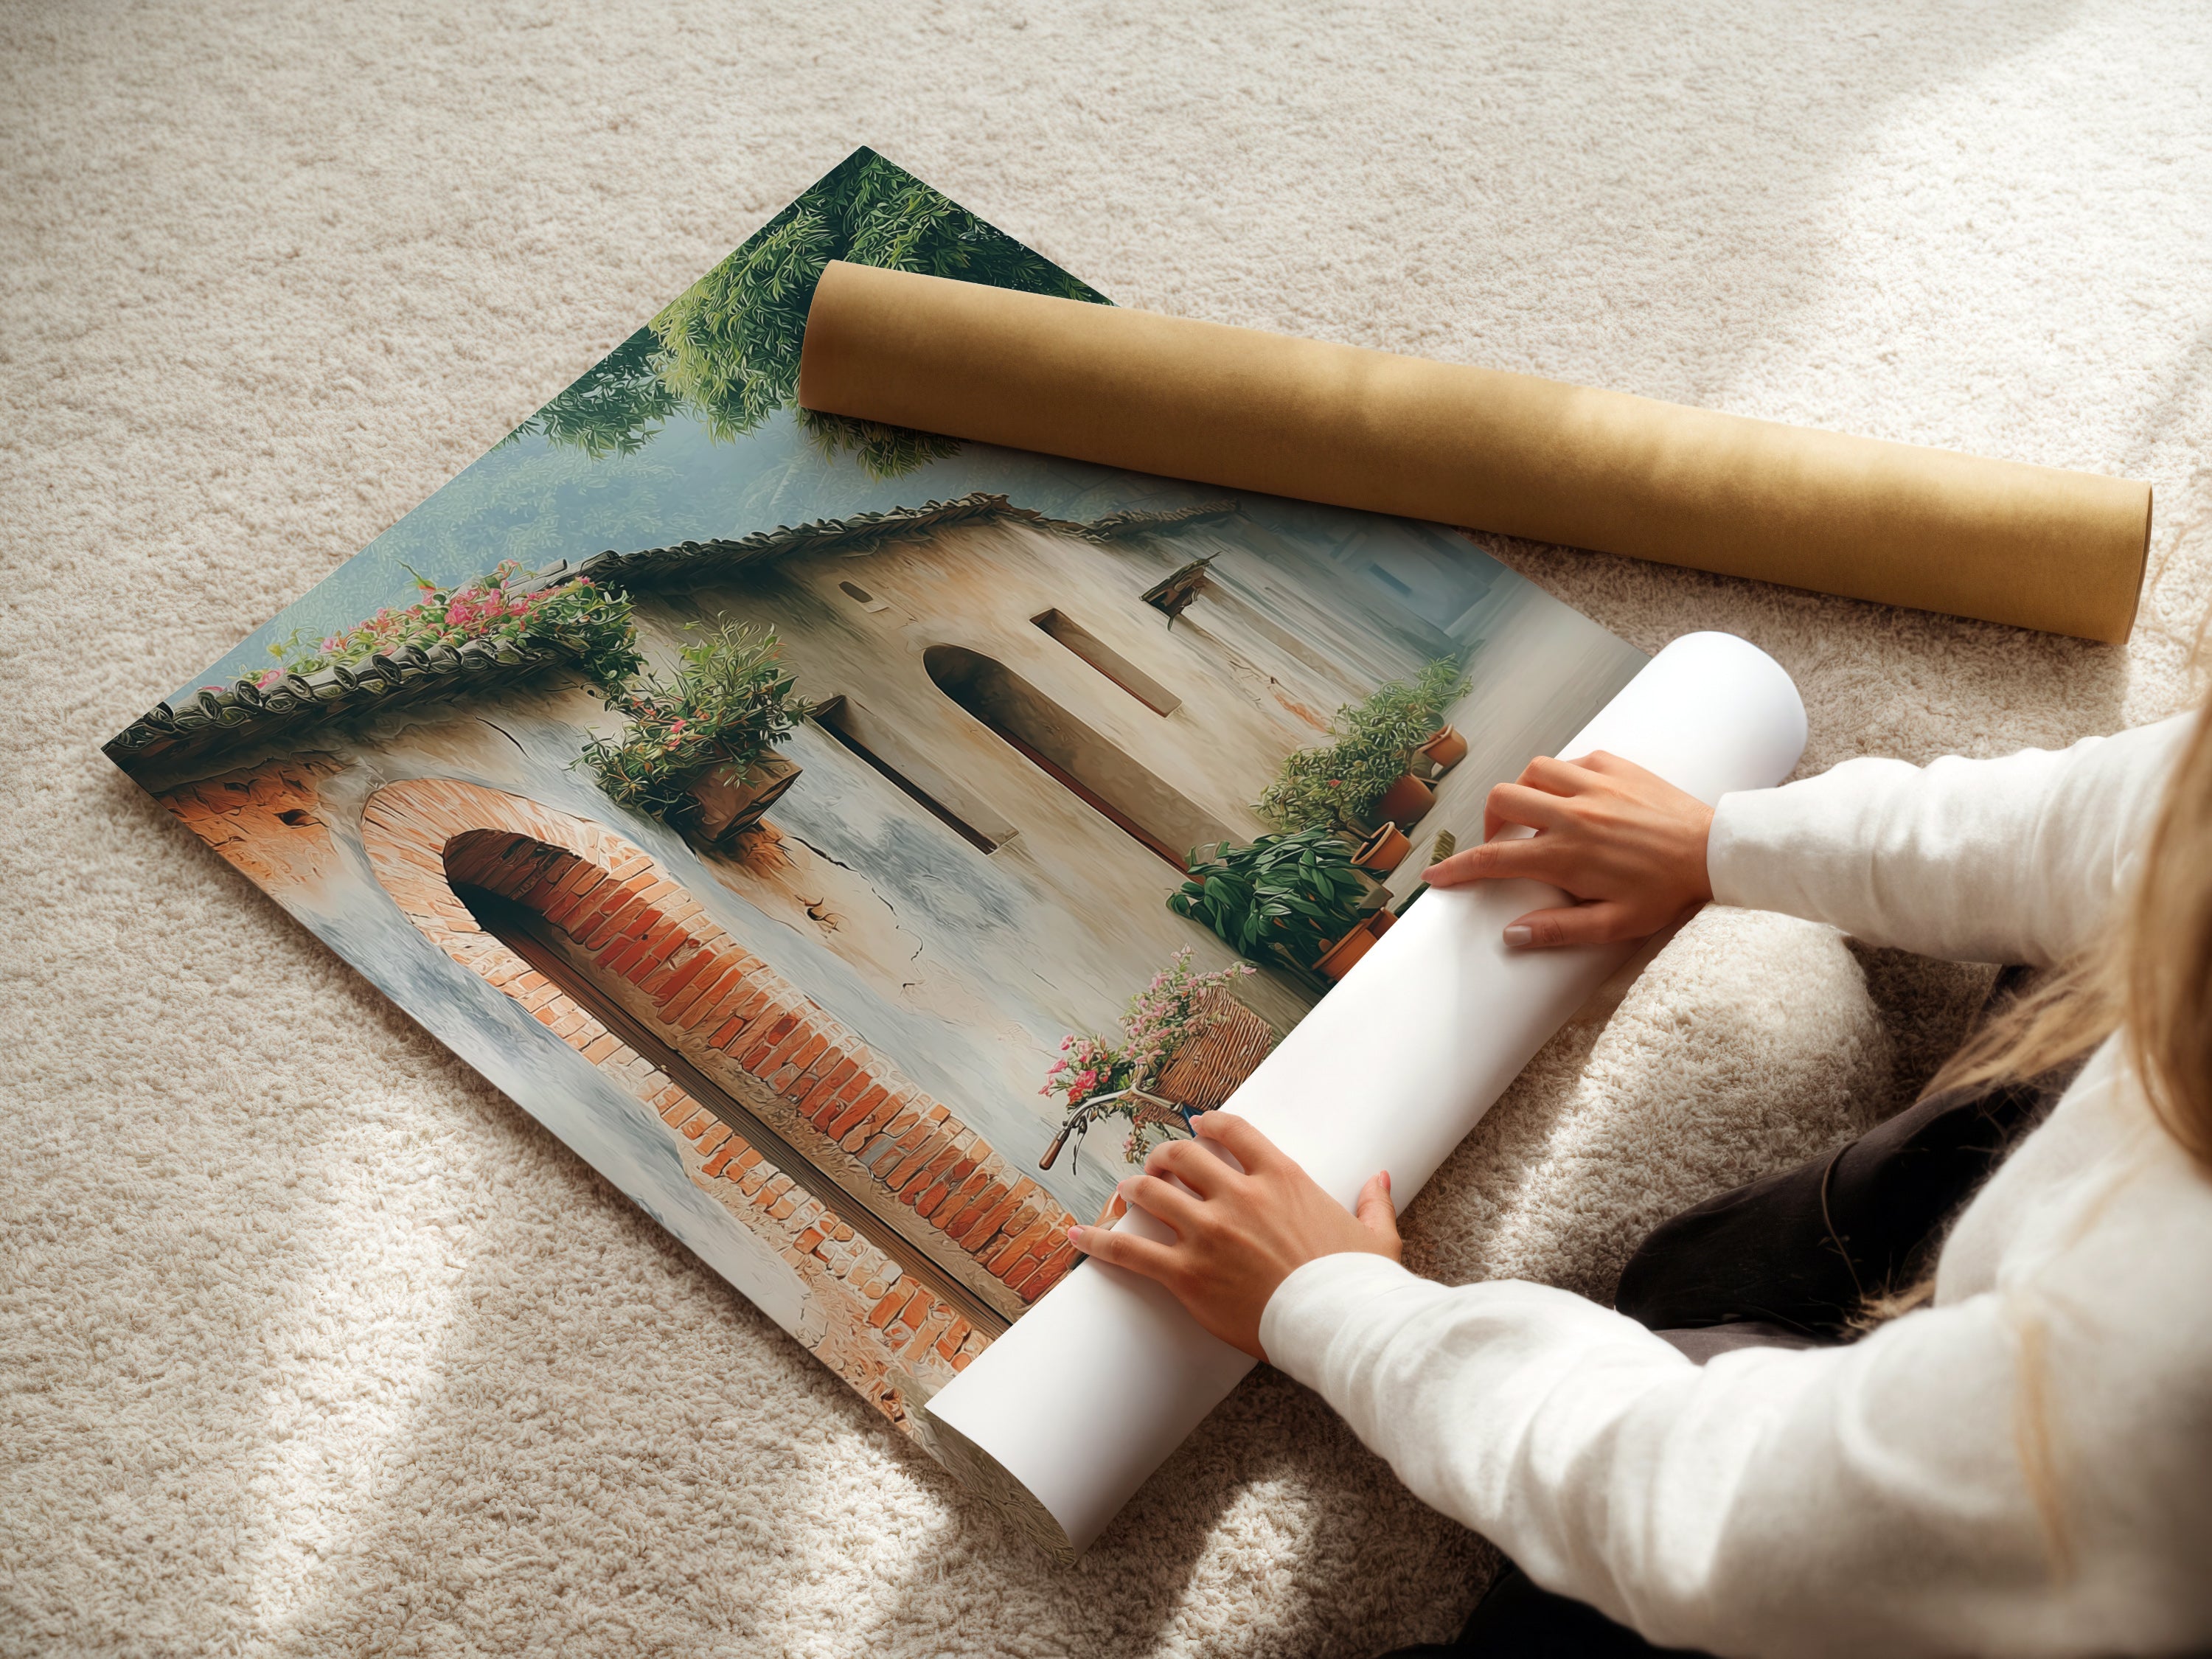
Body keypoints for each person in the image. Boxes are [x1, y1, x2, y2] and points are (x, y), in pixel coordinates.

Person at [1067, 710, 2212, 1657]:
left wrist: (1336, 1306)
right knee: (1704, 1272)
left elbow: (1719, 1511)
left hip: (2037, 1554)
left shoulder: (2157, 1376)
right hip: (2052, 1323)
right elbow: (2125, 818)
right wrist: (1721, 841)